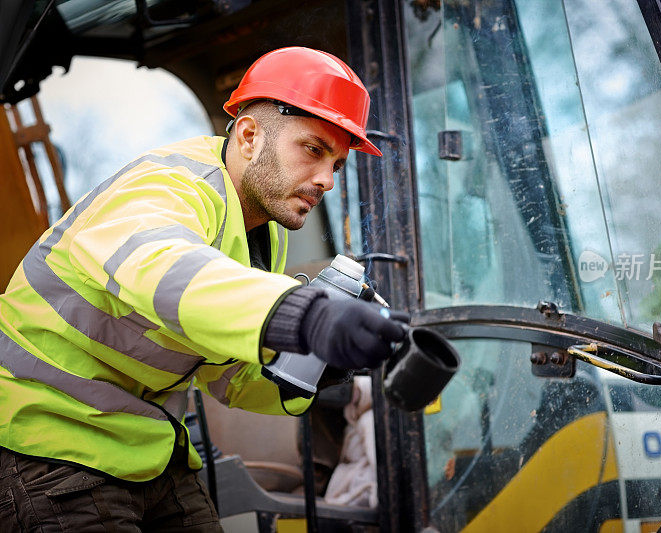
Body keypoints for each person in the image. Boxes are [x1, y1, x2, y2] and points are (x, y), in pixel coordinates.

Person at [0, 47, 406, 531]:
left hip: (143, 445)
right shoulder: (171, 184)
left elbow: (227, 374)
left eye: (337, 165)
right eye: (314, 150)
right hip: (46, 442)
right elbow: (164, 268)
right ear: (250, 136)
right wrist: (308, 315)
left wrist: (327, 365)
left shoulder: (262, 230)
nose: (326, 180)